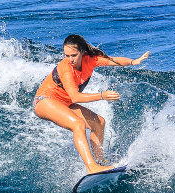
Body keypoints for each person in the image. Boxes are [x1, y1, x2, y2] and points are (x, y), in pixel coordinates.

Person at [34, 34, 150, 174]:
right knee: (78, 124)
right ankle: (91, 167)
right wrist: (102, 95)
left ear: (82, 52)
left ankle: (99, 163)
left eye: (74, 55)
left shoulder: (90, 59)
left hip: (64, 102)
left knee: (99, 122)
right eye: (67, 55)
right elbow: (75, 97)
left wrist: (133, 62)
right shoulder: (66, 68)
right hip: (44, 100)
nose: (70, 59)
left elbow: (114, 61)